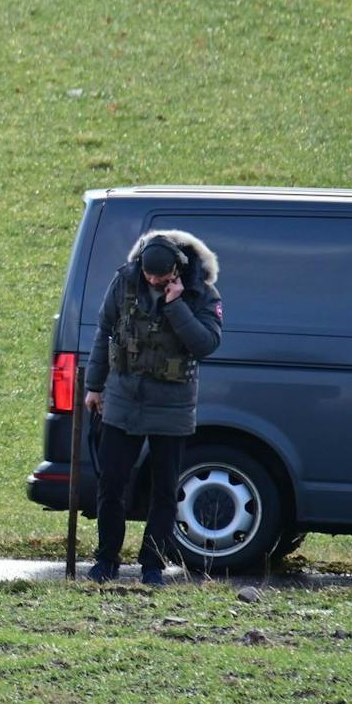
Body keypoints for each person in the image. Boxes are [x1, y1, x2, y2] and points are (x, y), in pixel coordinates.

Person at [84, 231, 223, 585]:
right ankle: (106, 560)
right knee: (111, 484)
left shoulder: (201, 296)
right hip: (123, 399)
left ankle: (152, 565)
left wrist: (176, 306)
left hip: (172, 406)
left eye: (160, 278)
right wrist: (94, 387)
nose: (153, 282)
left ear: (176, 270)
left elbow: (205, 344)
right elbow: (105, 331)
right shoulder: (124, 282)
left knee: (164, 490)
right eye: (148, 276)